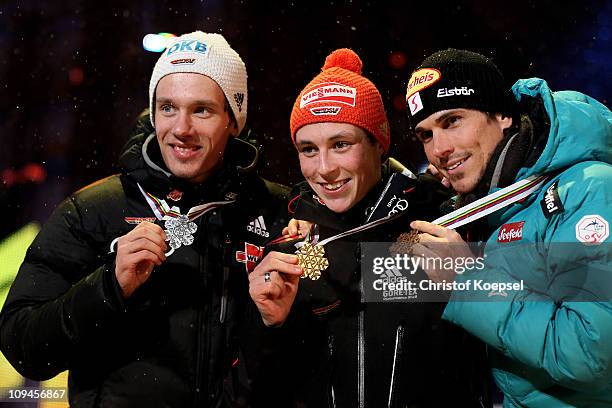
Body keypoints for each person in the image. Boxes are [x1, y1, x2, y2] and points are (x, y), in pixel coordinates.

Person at [0, 31, 291, 407]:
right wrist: (107, 287)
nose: (181, 129)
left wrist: (279, 325)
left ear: (233, 120)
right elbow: (24, 349)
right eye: (168, 107)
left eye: (201, 110)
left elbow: (321, 361)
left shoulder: (278, 212)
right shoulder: (93, 211)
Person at [248, 48, 490, 407]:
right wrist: (269, 326)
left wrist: (473, 281)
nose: (324, 168)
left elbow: (527, 343)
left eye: (341, 144)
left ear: (379, 143)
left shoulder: (444, 220)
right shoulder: (287, 244)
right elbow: (261, 388)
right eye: (308, 149)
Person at [406, 49, 612, 406]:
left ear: (502, 115)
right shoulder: (492, 206)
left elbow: (591, 354)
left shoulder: (590, 189)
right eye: (426, 135)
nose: (439, 148)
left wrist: (466, 280)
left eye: (452, 121)